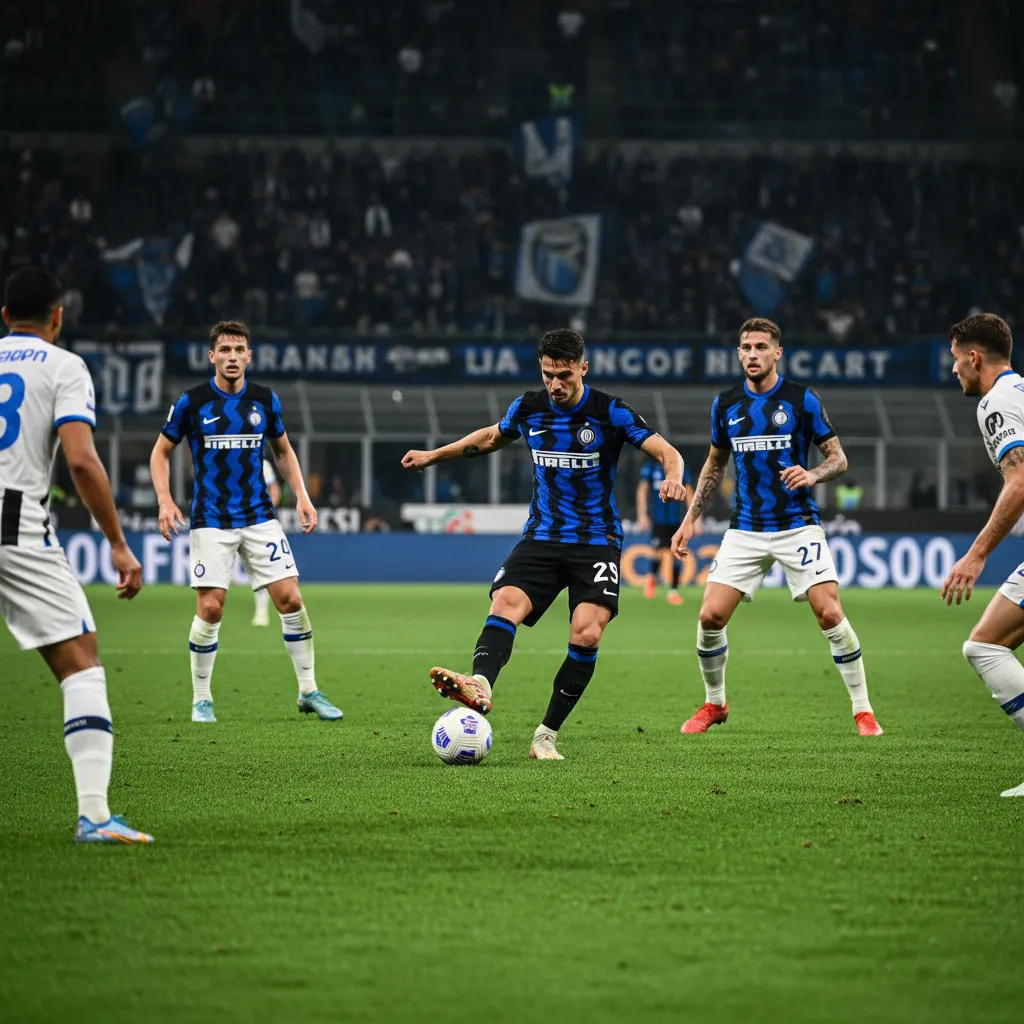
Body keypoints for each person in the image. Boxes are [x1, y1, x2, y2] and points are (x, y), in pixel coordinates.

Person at [401, 328, 686, 760]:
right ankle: (480, 685)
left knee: (587, 634)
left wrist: (673, 477)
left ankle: (546, 735)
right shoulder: (529, 408)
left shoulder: (610, 412)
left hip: (595, 541)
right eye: (549, 373)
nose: (555, 384)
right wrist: (433, 455)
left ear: (583, 369)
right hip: (541, 537)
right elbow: (490, 437)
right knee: (505, 604)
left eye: (565, 375)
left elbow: (668, 451)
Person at [672, 317, 883, 737]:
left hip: (797, 526)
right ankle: (715, 705)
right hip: (746, 528)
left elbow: (838, 459)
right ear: (738, 352)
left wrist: (813, 474)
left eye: (761, 347)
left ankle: (863, 710)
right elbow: (715, 463)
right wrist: (690, 519)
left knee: (829, 612)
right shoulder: (726, 405)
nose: (752, 354)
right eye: (745, 347)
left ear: (777, 353)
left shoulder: (801, 400)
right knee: (710, 616)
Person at [0, 267, 151, 843]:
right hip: (16, 524)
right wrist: (117, 543)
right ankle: (93, 816)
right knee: (80, 662)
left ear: (5, 315)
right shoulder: (64, 366)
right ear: (58, 317)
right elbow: (83, 461)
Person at [149, 319, 342, 723]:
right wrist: (165, 501)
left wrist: (302, 496)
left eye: (239, 350)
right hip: (211, 519)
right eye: (225, 350)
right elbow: (160, 452)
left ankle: (309, 691)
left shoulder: (265, 401)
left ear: (249, 356)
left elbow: (283, 452)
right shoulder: (192, 402)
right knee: (212, 607)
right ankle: (201, 699)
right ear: (212, 356)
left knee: (290, 599)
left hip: (259, 517)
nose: (232, 357)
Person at [942, 313, 1024, 797]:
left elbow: (1019, 482)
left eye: (956, 360)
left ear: (975, 358)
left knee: (984, 645)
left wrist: (975, 555)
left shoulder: (997, 403)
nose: (954, 370)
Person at [636, 457, 694, 605]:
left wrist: (694, 517)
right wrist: (642, 514)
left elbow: (688, 490)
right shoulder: (651, 468)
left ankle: (673, 591)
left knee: (677, 553)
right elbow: (643, 489)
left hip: (676, 519)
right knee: (659, 553)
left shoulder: (680, 468)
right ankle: (652, 578)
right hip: (658, 519)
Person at [249, 457, 281, 627]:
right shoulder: (222, 453)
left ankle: (261, 611)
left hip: (256, 521)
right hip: (226, 520)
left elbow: (274, 488)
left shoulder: (261, 462)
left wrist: (268, 512)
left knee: (259, 567)